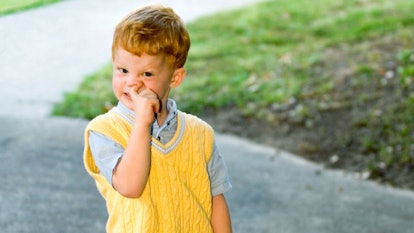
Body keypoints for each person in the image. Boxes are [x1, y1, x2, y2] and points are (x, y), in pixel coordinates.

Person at [83, 4, 232, 233]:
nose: (132, 82)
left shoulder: (200, 134)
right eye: (123, 70)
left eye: (147, 74)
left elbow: (216, 200)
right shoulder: (104, 131)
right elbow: (130, 186)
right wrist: (142, 123)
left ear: (175, 78)